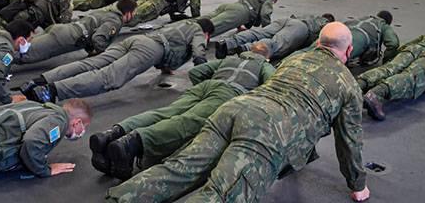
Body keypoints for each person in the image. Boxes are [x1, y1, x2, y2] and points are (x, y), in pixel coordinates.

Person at [105, 22, 370, 203]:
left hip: (235, 108)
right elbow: (349, 140)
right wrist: (357, 185)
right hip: (268, 132)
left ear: (318, 43)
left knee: (179, 168)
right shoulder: (347, 84)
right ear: (348, 50)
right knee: (221, 193)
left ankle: (121, 198)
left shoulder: (294, 59)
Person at [90, 43, 275, 180]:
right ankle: (133, 143)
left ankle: (113, 133)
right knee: (188, 121)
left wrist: (206, 87)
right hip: (230, 92)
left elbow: (197, 72)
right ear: (266, 57)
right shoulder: (265, 66)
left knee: (165, 112)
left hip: (206, 85)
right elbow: (273, 88)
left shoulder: (230, 59)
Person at [20, 18, 214, 103]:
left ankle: (40, 81)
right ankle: (51, 91)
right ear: (206, 32)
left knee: (93, 63)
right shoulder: (198, 31)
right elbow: (198, 53)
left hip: (138, 40)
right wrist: (206, 77)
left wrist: (165, 69)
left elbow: (170, 49)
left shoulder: (183, 25)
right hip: (150, 49)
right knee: (109, 78)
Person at [16, 0, 137, 64]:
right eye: (134, 12)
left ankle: (1, 54)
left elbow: (92, 31)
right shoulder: (115, 21)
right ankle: (0, 61)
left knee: (23, 47)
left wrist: (91, 51)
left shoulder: (106, 12)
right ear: (128, 13)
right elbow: (98, 38)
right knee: (26, 54)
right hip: (65, 38)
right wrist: (103, 56)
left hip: (62, 30)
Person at [215, 13, 333, 62]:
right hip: (301, 28)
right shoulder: (325, 23)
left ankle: (227, 43)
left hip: (288, 20)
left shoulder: (311, 16)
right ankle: (246, 49)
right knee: (276, 45)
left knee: (260, 32)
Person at [200, 0, 281, 36]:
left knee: (203, 21)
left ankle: (188, 25)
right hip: (240, 12)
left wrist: (239, 25)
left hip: (232, 6)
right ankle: (191, 36)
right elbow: (265, 14)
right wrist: (267, 30)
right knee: (211, 28)